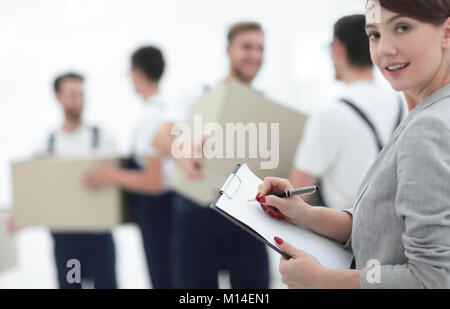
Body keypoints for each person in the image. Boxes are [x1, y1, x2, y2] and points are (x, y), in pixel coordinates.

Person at [255, 0, 450, 289]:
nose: (384, 48)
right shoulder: (426, 112)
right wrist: (306, 214)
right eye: (374, 34)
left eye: (403, 27)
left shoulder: (427, 127)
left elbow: (431, 278)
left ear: (446, 32)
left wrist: (322, 280)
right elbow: (389, 227)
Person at [153, 22, 270, 288]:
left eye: (260, 48)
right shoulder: (199, 93)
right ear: (229, 51)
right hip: (197, 212)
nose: (255, 55)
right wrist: (181, 149)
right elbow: (161, 135)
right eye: (247, 47)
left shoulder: (267, 103)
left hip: (248, 217)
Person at [290, 14, 405, 211]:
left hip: (344, 237)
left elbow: (296, 194)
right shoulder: (402, 105)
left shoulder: (331, 115)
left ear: (337, 48)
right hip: (394, 232)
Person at [85, 47, 175, 289]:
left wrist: (111, 175)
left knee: (163, 279)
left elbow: (154, 182)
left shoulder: (150, 119)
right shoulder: (167, 110)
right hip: (166, 214)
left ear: (136, 73)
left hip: (159, 215)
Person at [44, 72, 118, 289]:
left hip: (99, 237)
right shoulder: (47, 144)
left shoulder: (103, 137)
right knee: (70, 285)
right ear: (59, 97)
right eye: (72, 94)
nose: (78, 100)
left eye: (81, 94)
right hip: (66, 239)